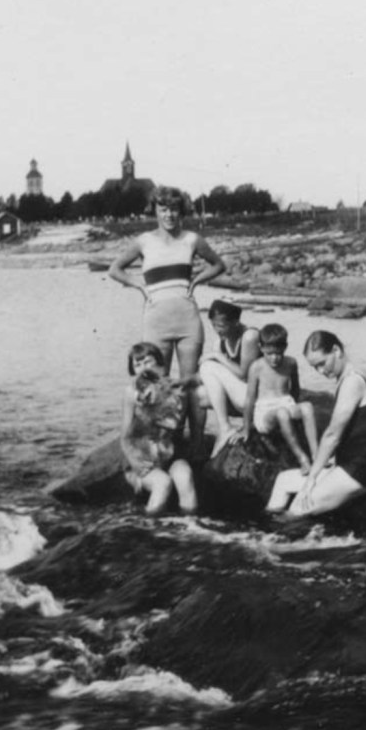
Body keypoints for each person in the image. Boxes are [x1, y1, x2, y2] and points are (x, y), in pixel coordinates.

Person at [108, 186, 226, 451]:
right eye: (163, 209)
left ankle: (196, 444)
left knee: (190, 384)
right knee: (157, 383)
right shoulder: (143, 241)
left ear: (181, 211)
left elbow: (219, 265)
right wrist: (139, 285)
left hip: (187, 320)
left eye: (174, 209)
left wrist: (196, 281)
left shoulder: (192, 239)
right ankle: (166, 441)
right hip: (156, 321)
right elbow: (115, 269)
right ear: (156, 211)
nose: (169, 215)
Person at [266, 330, 366, 517]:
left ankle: (282, 534)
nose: (321, 371)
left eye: (322, 363)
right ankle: (265, 530)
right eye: (315, 367)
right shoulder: (351, 375)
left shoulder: (352, 381)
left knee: (298, 507)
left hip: (362, 468)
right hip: (347, 461)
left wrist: (312, 479)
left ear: (336, 350)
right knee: (283, 481)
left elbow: (332, 435)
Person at [120, 342, 198, 515]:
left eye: (147, 362)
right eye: (137, 365)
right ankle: (151, 524)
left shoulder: (172, 388)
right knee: (163, 483)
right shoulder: (131, 393)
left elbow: (174, 424)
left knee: (185, 476)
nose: (143, 368)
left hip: (167, 453)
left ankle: (191, 523)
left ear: (161, 365)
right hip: (141, 457)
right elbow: (125, 435)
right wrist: (136, 464)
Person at [239, 323, 317, 473]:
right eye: (269, 354)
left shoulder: (291, 363)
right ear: (261, 348)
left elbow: (295, 389)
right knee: (282, 413)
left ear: (285, 347)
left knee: (307, 407)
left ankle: (316, 453)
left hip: (286, 403)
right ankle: (302, 458)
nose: (274, 358)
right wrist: (246, 428)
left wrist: (294, 408)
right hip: (265, 411)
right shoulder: (256, 367)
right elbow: (249, 399)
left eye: (278, 353)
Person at [198, 299, 261, 455]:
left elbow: (244, 374)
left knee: (207, 366)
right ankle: (197, 443)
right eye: (213, 325)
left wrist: (217, 356)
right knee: (197, 394)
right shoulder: (219, 343)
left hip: (255, 399)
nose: (217, 330)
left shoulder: (249, 336)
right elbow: (214, 380)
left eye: (221, 326)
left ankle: (225, 427)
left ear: (235, 322)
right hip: (238, 398)